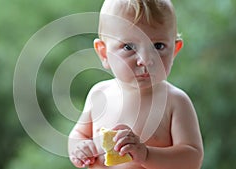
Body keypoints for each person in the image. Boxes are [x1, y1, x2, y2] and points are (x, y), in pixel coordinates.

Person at [68, 0, 204, 168]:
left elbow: (192, 159)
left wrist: (146, 155)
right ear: (104, 53)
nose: (145, 60)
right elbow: (79, 134)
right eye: (128, 47)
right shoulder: (98, 94)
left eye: (158, 46)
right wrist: (79, 148)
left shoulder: (175, 101)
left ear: (175, 50)